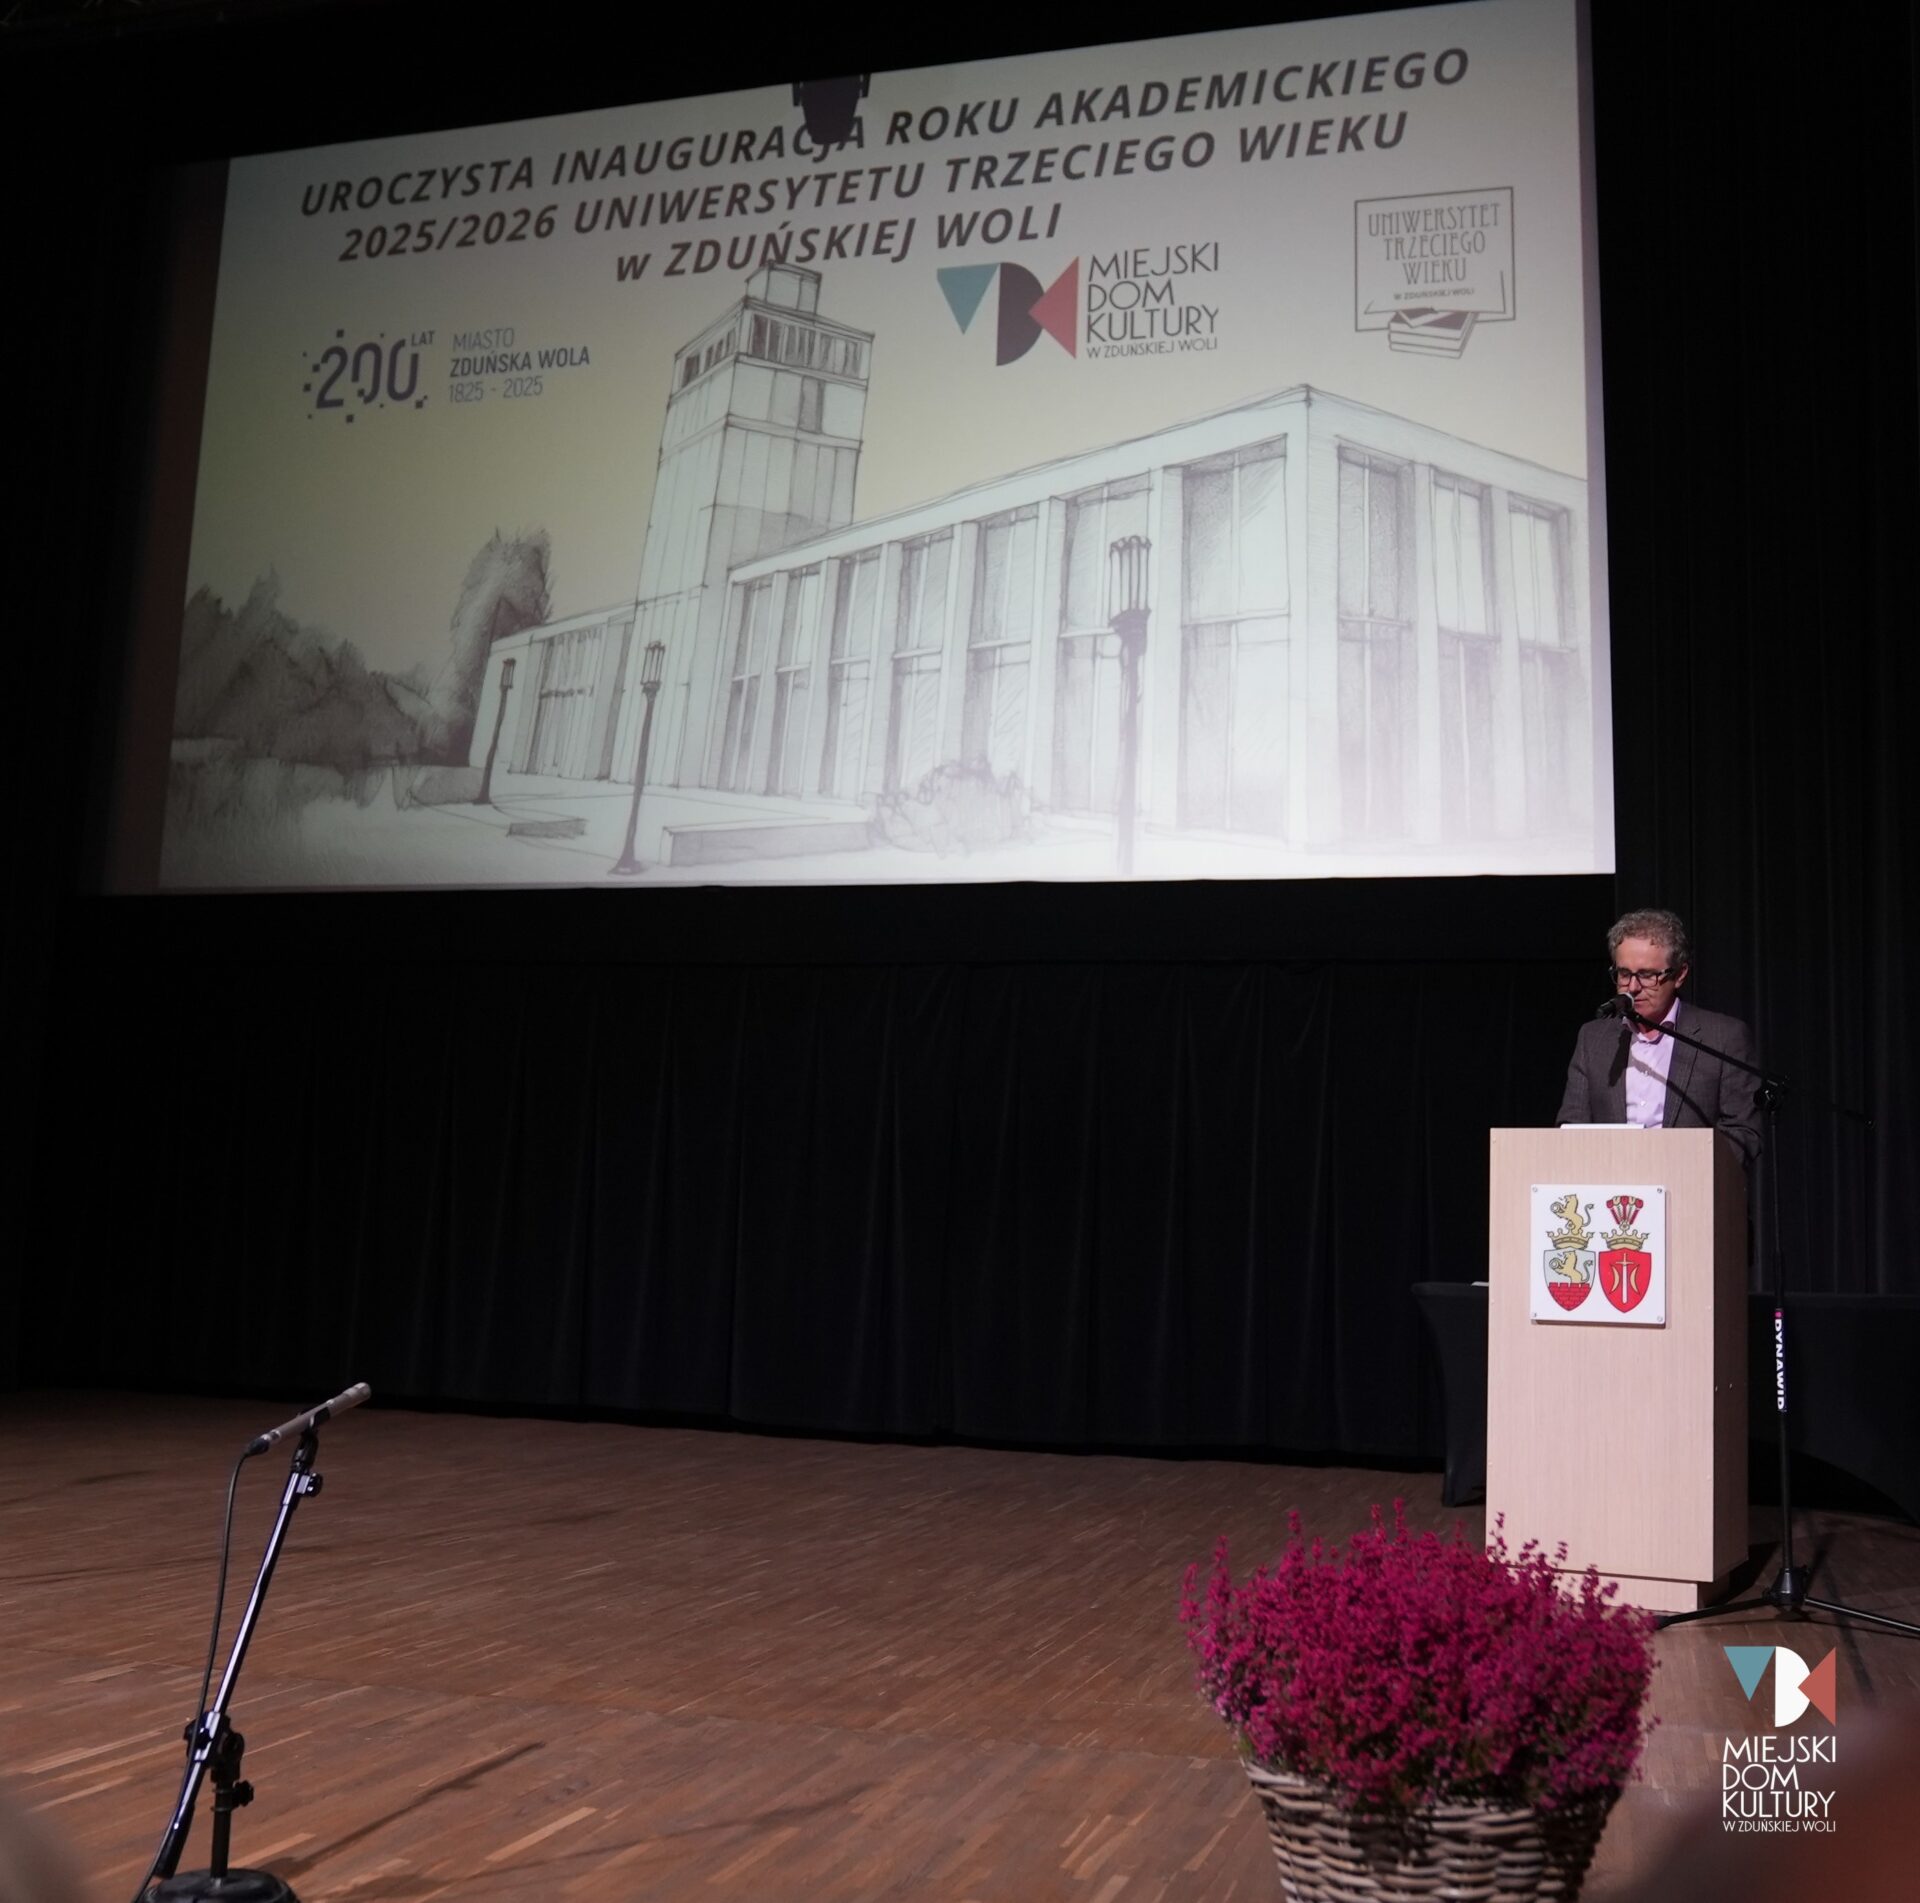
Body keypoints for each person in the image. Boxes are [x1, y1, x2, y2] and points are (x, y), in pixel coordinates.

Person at [1556, 907, 1761, 1163]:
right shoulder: (1593, 1038)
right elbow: (1571, 1127)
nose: (1632, 987)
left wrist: (1685, 1168)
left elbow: (1743, 1133)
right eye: (1624, 974)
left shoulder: (1723, 1038)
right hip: (1611, 1180)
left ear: (1680, 974)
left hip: (1689, 1180)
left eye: (1647, 975)